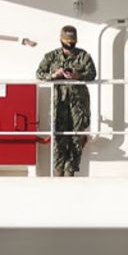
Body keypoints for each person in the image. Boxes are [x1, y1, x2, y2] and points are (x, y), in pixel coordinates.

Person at [35, 26, 97, 176]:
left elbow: (92, 74)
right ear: (61, 40)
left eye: (72, 42)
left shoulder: (83, 56)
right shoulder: (51, 56)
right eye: (67, 42)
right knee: (58, 137)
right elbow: (39, 74)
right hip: (59, 103)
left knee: (76, 138)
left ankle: (70, 174)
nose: (70, 45)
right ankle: (58, 173)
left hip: (78, 104)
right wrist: (54, 75)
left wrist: (77, 75)